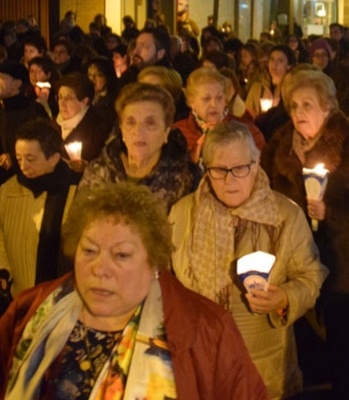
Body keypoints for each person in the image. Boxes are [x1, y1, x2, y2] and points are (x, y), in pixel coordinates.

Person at [0, 182, 268, 399]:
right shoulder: (31, 308)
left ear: (153, 262)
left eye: (121, 255)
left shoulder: (207, 330)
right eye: (89, 251)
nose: (99, 269)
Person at [170, 121, 327, 399]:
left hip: (262, 367)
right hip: (201, 362)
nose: (230, 180)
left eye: (240, 168)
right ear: (206, 170)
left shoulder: (284, 216)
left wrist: (286, 298)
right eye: (219, 170)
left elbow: (311, 276)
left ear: (256, 165)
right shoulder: (183, 215)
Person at [262, 68, 349, 400]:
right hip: (293, 259)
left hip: (341, 259)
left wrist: (331, 212)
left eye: (307, 105)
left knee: (340, 337)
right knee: (299, 336)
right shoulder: (279, 144)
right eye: (294, 106)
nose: (299, 113)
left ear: (327, 107)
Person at [79, 82, 200, 209]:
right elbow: (78, 222)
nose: (138, 131)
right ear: (121, 128)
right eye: (131, 122)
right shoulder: (99, 170)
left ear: (166, 131)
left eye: (150, 123)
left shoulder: (186, 178)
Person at [0, 120, 78, 307]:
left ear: (53, 158)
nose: (23, 166)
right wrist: (2, 269)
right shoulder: (8, 191)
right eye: (18, 158)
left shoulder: (76, 190)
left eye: (31, 158)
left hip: (63, 300)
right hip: (19, 296)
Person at [174, 68, 265, 164]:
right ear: (191, 101)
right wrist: (195, 156)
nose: (213, 105)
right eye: (206, 99)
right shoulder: (178, 133)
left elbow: (262, 171)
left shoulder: (247, 131)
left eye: (219, 98)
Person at [55, 73, 113, 165]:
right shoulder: (52, 126)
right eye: (60, 97)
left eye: (68, 98)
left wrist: (84, 167)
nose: (62, 103)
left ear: (84, 101)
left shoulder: (99, 128)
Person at [245, 45, 297, 117]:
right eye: (272, 59)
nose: (274, 64)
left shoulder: (292, 89)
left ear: (289, 65)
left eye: (280, 61)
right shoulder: (257, 88)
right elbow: (246, 114)